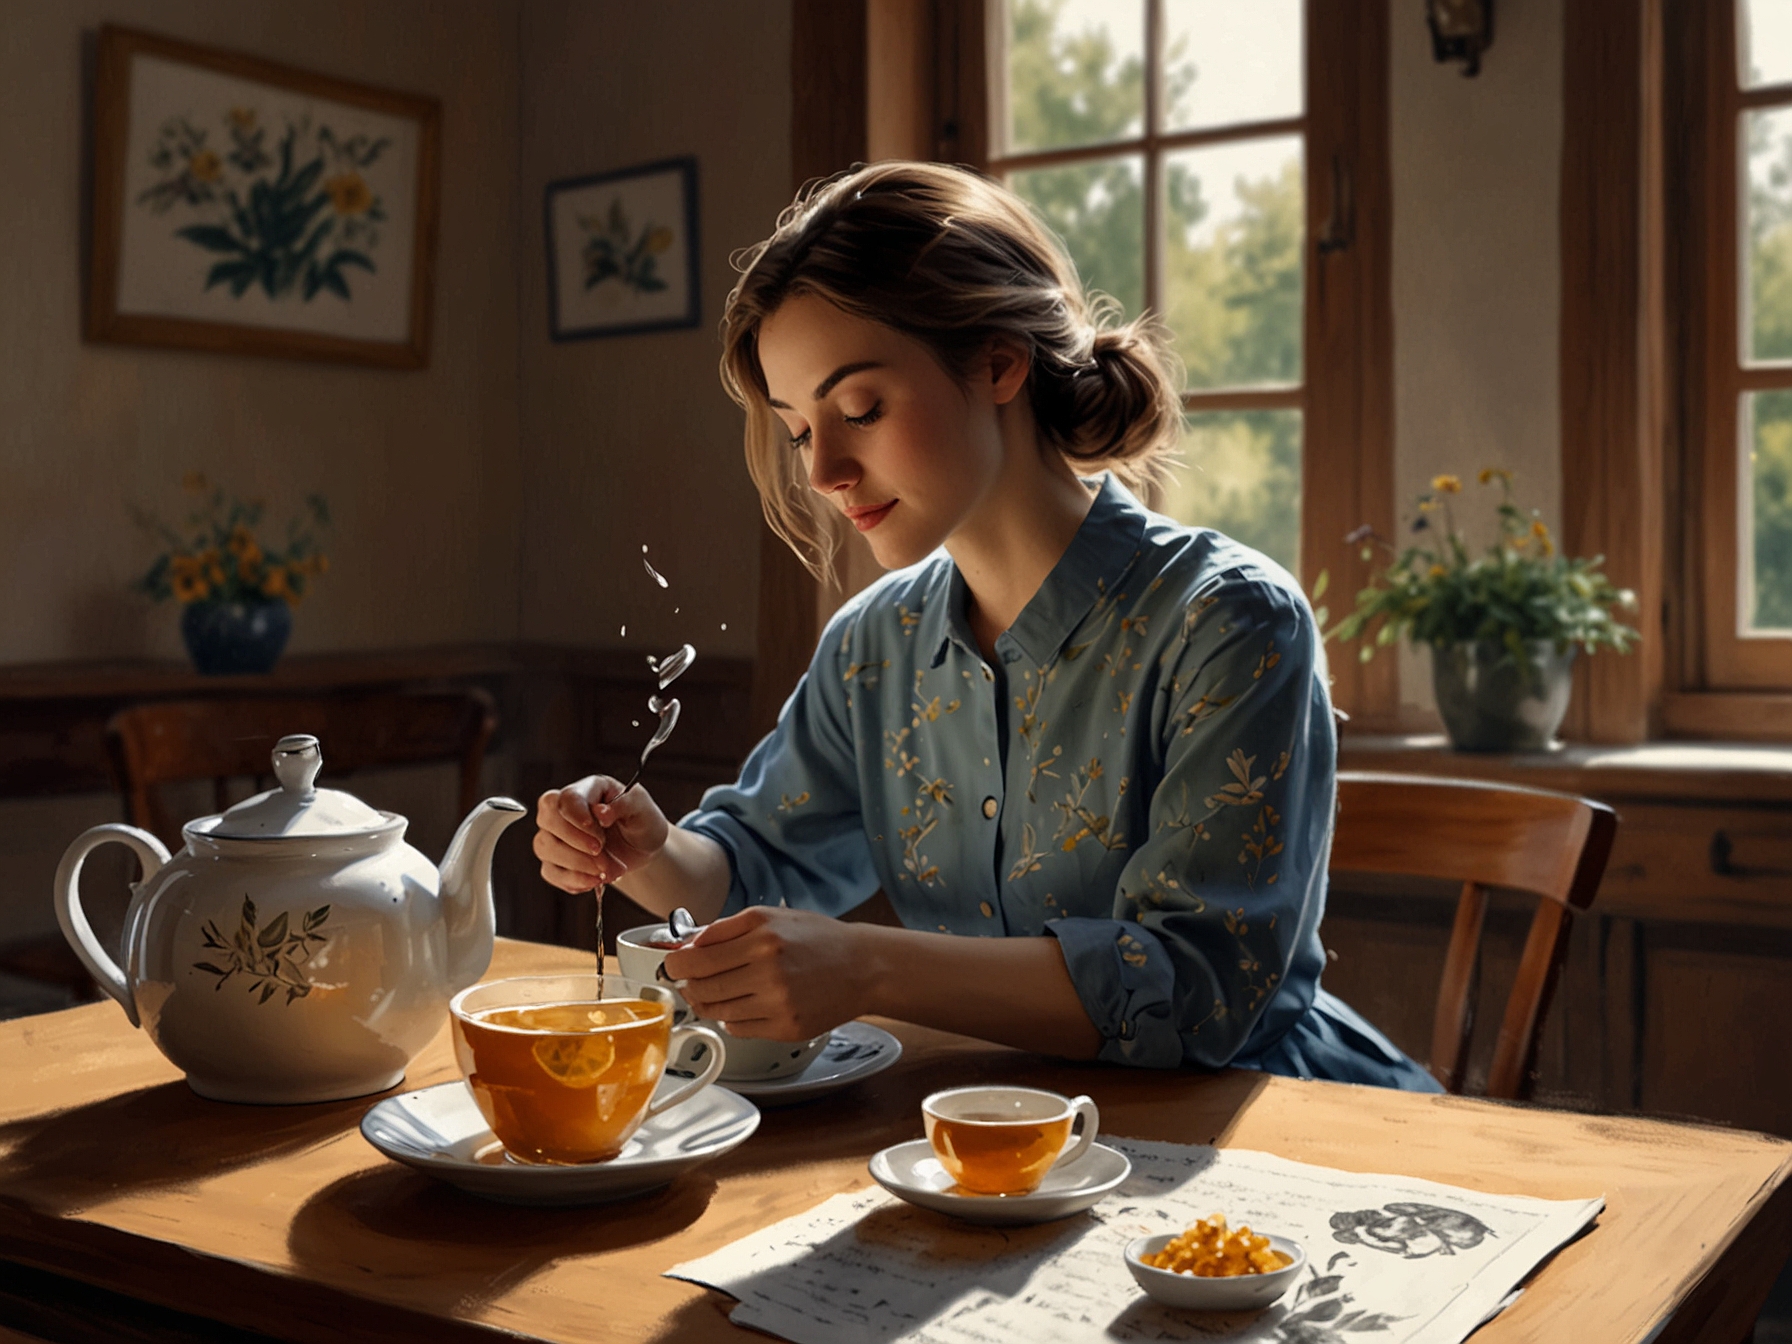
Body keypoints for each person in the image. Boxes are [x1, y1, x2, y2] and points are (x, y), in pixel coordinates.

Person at [534, 160, 1438, 1089]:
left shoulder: (1230, 622)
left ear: (1001, 362)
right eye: (802, 430)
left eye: (859, 409)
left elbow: (1195, 993)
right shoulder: (872, 646)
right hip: (987, 1125)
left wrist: (870, 966)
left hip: (1260, 1127)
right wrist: (644, 850)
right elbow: (753, 869)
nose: (823, 472)